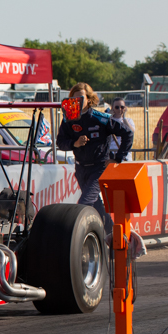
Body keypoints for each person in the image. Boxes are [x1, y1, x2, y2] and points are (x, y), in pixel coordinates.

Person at [56, 82, 134, 234]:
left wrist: (118, 158)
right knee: (97, 206)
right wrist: (75, 143)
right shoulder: (68, 119)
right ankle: (112, 236)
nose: (77, 101)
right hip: (80, 168)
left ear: (89, 99)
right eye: (74, 98)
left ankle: (75, 237)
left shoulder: (102, 118)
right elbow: (60, 142)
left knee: (84, 203)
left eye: (81, 98)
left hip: (99, 168)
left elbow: (128, 134)